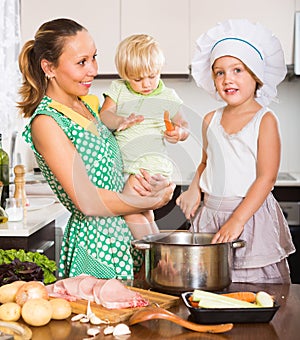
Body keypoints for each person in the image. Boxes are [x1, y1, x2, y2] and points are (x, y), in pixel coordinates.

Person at [17, 18, 175, 281]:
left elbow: (116, 173)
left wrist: (155, 185)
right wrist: (152, 201)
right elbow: (87, 201)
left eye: (94, 58)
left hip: (126, 240)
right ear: (49, 67)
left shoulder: (88, 107)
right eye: (81, 62)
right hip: (97, 249)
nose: (93, 70)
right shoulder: (47, 122)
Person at [176, 19, 295, 283]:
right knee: (211, 285)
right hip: (210, 215)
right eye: (220, 72)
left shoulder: (265, 120)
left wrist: (238, 220)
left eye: (237, 70)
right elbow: (206, 163)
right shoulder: (210, 119)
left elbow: (267, 178)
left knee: (252, 287)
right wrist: (195, 188)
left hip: (249, 216)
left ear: (256, 75)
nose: (227, 78)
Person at [100, 34, 189, 239]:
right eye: (137, 79)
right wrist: (119, 121)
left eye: (152, 76)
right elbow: (104, 116)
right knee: (145, 213)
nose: (146, 84)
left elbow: (184, 124)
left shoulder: (167, 96)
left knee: (129, 210)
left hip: (148, 167)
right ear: (125, 74)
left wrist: (179, 132)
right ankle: (158, 257)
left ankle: (151, 255)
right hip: (132, 167)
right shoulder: (119, 89)